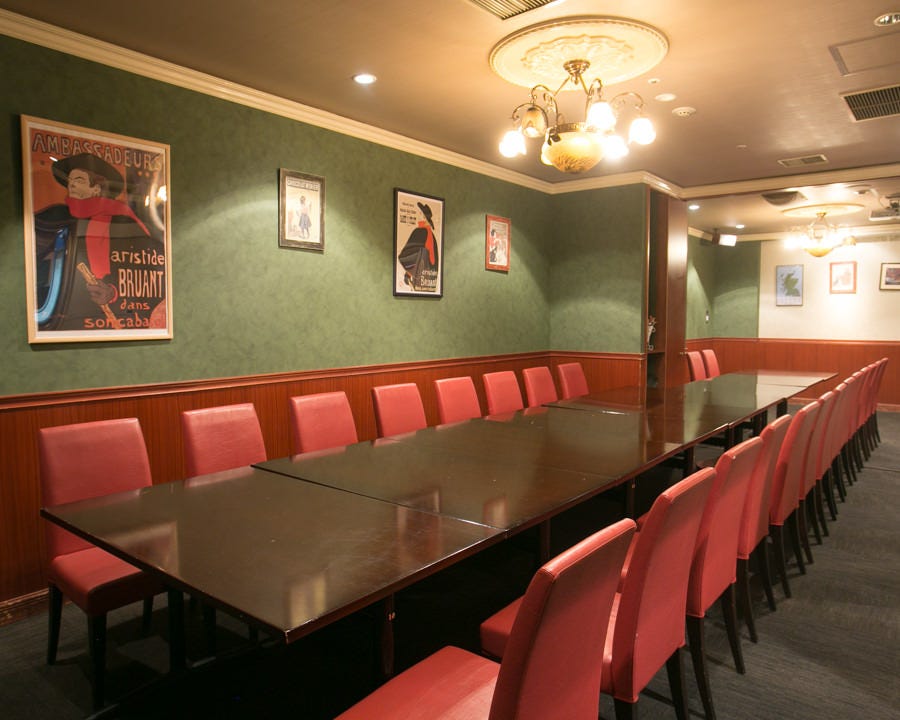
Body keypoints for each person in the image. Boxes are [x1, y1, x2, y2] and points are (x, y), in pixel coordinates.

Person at [33, 152, 166, 332]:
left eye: (79, 180)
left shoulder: (122, 221)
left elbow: (145, 274)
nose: (71, 184)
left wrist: (113, 292)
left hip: (101, 318)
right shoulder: (54, 216)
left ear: (96, 188)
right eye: (70, 180)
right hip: (59, 314)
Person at [398, 201, 439, 292]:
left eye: (420, 213)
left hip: (419, 277)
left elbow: (409, 254)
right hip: (429, 280)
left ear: (424, 217)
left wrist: (408, 274)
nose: (418, 215)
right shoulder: (431, 235)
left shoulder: (420, 231)